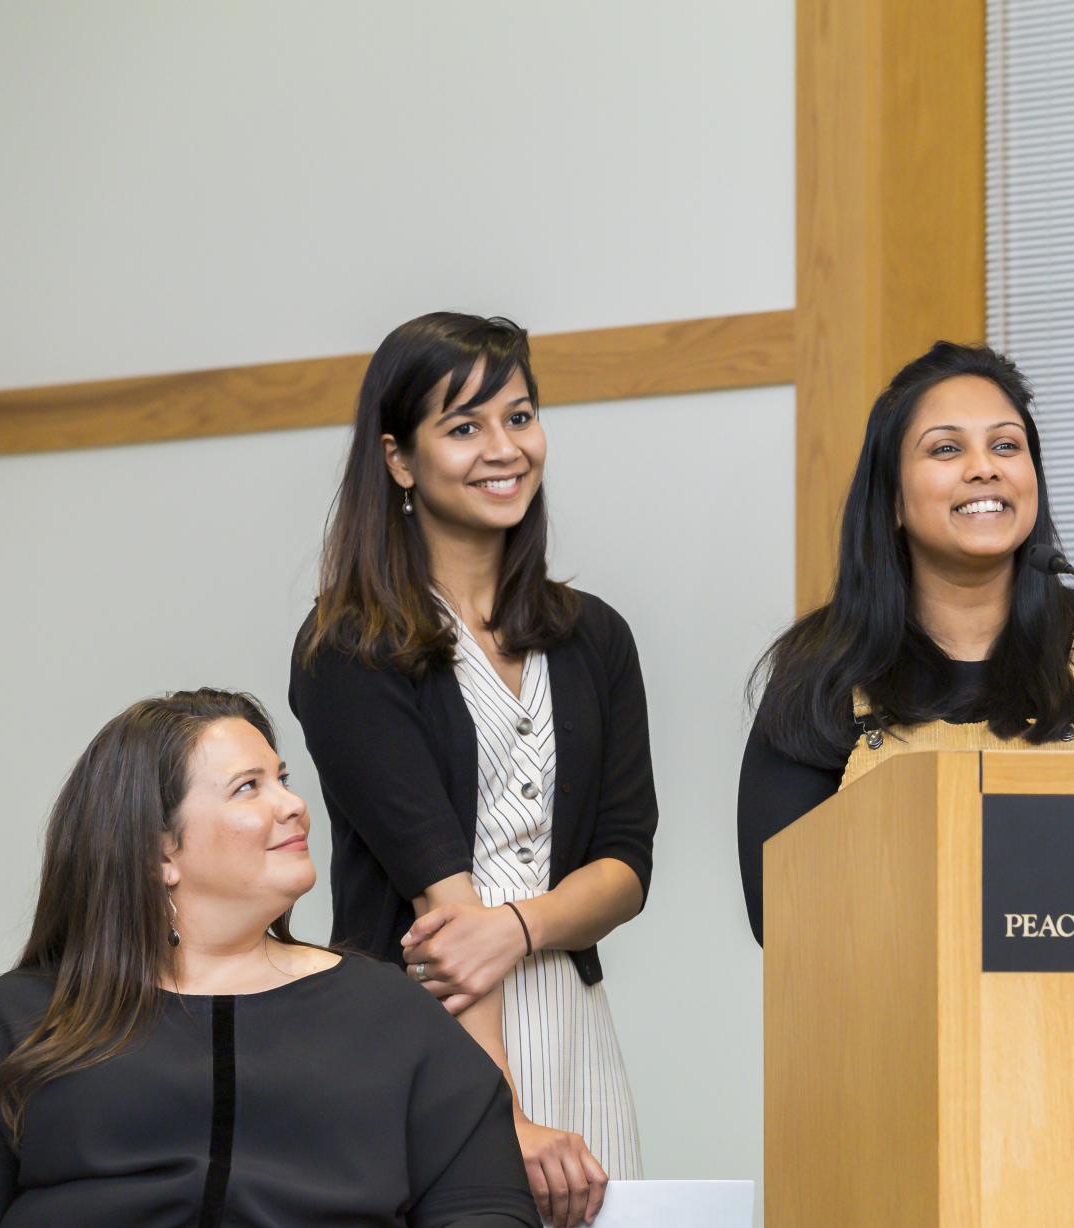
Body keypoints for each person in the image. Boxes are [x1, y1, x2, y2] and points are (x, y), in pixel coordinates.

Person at [0, 689, 537, 1227]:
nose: (292, 805)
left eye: (282, 780)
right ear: (159, 855)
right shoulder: (15, 1026)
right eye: (247, 788)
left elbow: (486, 1211)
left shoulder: (397, 1019)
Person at [292, 311, 655, 1228]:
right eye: (464, 427)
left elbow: (624, 866)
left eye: (520, 417)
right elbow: (441, 909)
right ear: (399, 459)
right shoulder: (350, 645)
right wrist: (504, 1118)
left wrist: (521, 927)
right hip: (419, 1033)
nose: (504, 449)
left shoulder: (593, 635)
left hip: (572, 1026)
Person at [738, 341, 1074, 943]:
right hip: (882, 1024)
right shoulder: (823, 668)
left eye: (1006, 445)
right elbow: (780, 912)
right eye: (946, 448)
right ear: (892, 500)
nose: (985, 467)